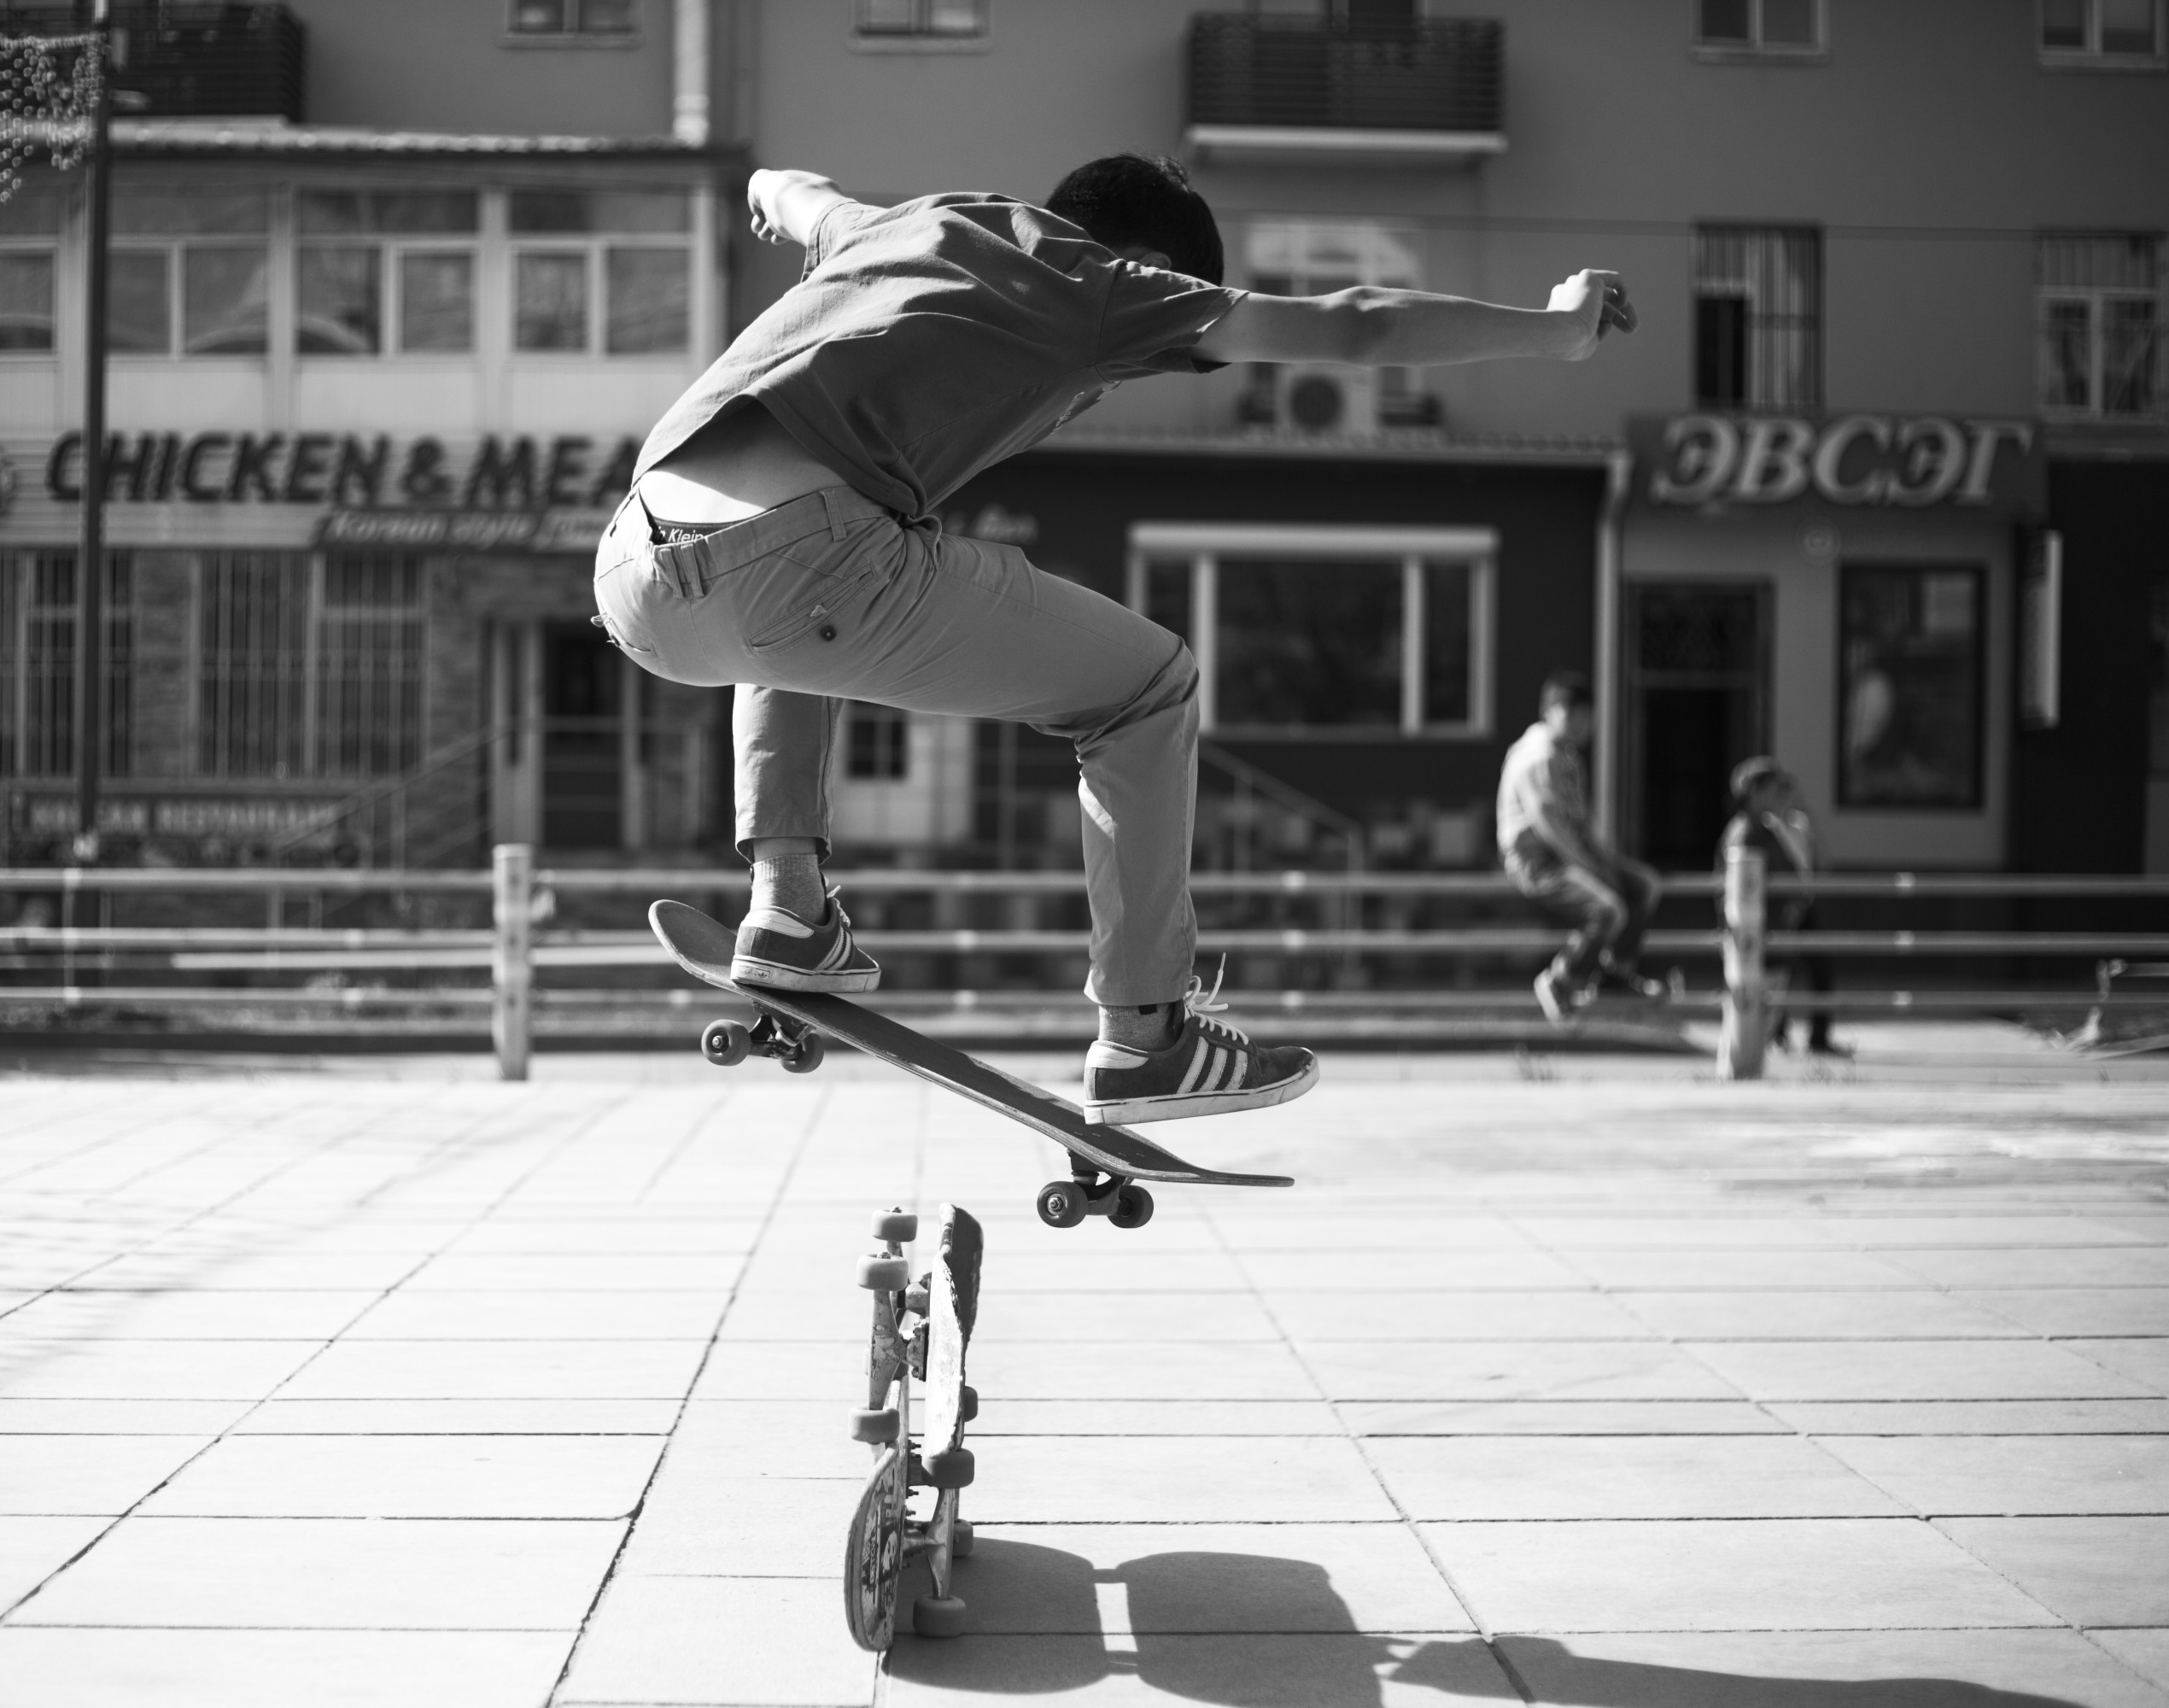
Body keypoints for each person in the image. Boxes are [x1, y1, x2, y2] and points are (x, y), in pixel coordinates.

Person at [595, 155, 1637, 1121]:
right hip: (801, 570)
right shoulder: (1101, 285)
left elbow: (797, 190)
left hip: (636, 568)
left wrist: (765, 189)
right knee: (1150, 685)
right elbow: (1355, 323)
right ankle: (1147, 1036)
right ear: (1152, 268)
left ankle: (786, 907)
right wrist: (1556, 326)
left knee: (842, 558)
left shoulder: (903, 226)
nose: (1097, 391)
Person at [1499, 670, 1665, 1023]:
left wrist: (1604, 860)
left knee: (1644, 885)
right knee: (1608, 909)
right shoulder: (1537, 755)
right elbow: (1547, 822)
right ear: (1549, 712)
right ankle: (1561, 979)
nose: (1580, 724)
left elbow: (1581, 820)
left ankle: (1615, 974)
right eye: (1571, 714)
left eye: (1586, 716)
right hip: (1536, 860)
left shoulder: (1568, 757)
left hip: (1570, 853)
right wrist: (1588, 867)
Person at [1721, 756, 1846, 1056]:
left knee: (1765, 1006)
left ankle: (1748, 1071)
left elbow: (1792, 871)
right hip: (1758, 934)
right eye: (1771, 789)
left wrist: (1795, 899)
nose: (1778, 795)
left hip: (1775, 931)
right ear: (1753, 791)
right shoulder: (1745, 834)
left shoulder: (1766, 829)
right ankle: (1740, 1073)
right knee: (1752, 1011)